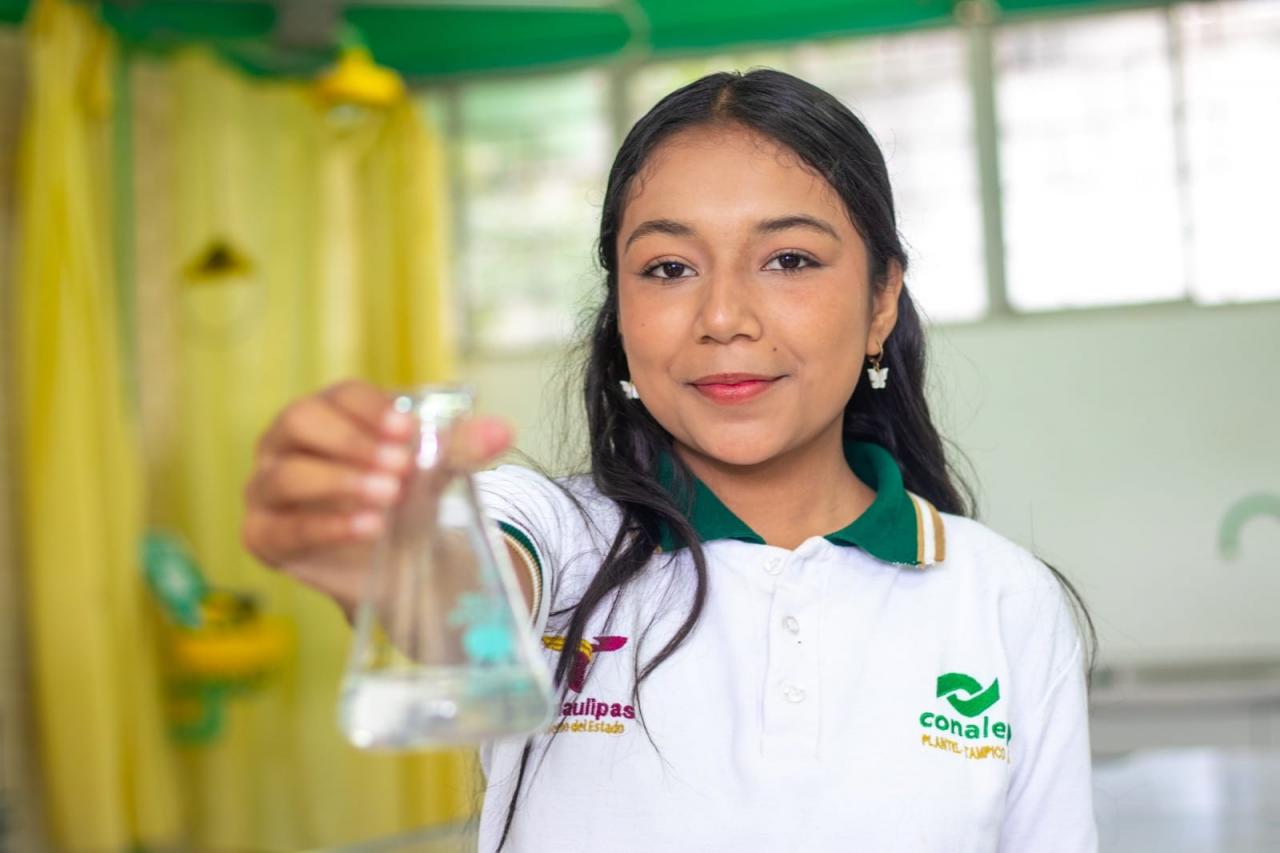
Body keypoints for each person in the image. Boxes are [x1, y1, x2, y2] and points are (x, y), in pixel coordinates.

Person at [242, 69, 1099, 852]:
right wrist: (391, 546)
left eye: (789, 259)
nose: (723, 316)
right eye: (669, 267)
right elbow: (461, 592)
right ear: (619, 314)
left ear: (882, 301)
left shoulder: (1005, 599)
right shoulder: (562, 538)